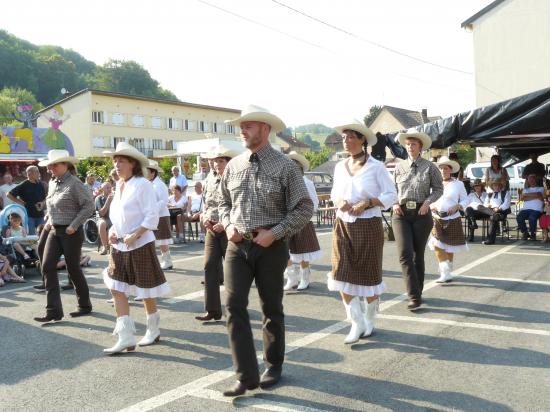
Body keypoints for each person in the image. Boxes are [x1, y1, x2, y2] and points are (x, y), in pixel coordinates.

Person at [218, 105, 313, 396]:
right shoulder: (234, 165)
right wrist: (227, 223)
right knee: (233, 305)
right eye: (240, 126)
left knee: (271, 308)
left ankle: (273, 365)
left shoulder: (285, 166)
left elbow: (304, 208)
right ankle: (245, 375)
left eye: (248, 125)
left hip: (271, 246)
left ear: (265, 129)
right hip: (237, 245)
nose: (241, 130)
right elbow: (222, 203)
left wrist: (276, 233)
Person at [328, 120, 397, 343]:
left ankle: (369, 318)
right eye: (344, 137)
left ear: (362, 140)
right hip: (343, 223)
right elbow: (334, 193)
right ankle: (355, 321)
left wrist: (368, 202)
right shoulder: (339, 167)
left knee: (369, 277)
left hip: (368, 225)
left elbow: (391, 195)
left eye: (350, 137)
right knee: (340, 272)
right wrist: (339, 201)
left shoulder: (376, 166)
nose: (346, 141)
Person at [102, 142, 170, 354]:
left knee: (146, 289)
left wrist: (135, 234)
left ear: (132, 163)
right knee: (116, 287)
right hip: (120, 245)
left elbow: (151, 215)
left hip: (139, 244)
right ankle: (126, 336)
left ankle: (153, 329)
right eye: (115, 161)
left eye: (121, 161)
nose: (116, 165)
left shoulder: (142, 184)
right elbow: (118, 216)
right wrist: (113, 230)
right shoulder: (119, 185)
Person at [33, 150, 94, 322]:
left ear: (65, 165)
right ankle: (53, 311)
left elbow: (89, 206)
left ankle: (84, 305)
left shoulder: (75, 183)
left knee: (73, 268)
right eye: (50, 165)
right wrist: (49, 219)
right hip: (54, 230)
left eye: (55, 164)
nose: (51, 168)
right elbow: (52, 204)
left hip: (71, 232)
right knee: (46, 266)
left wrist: (74, 225)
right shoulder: (52, 182)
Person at [393, 128, 443, 311]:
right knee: (404, 253)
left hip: (422, 214)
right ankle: (414, 296)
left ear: (420, 146)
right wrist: (393, 203)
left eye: (413, 144)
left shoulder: (430, 167)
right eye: (407, 144)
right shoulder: (398, 168)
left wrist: (427, 203)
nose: (410, 147)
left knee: (417, 255)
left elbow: (438, 189)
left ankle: (417, 291)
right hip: (401, 214)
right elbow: (390, 190)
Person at [196, 146, 238, 322]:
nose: (216, 164)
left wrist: (226, 223)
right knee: (209, 266)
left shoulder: (234, 179)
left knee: (232, 271)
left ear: (228, 162)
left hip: (229, 230)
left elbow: (239, 206)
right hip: (212, 230)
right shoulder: (209, 179)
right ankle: (212, 310)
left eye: (220, 161)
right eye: (214, 161)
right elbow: (206, 204)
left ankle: (235, 310)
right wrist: (204, 217)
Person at [284, 151, 321, 291]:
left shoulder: (307, 182)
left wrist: (304, 215)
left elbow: (314, 202)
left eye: (293, 164)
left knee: (303, 251)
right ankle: (292, 279)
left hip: (302, 221)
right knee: (285, 252)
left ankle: (305, 278)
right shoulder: (283, 182)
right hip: (286, 221)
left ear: (299, 167)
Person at [428, 156, 469, 283]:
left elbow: (466, 199)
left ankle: (447, 271)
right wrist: (430, 205)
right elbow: (427, 198)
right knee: (437, 244)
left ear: (450, 170)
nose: (443, 171)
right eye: (441, 168)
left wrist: (458, 206)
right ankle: (445, 272)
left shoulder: (458, 184)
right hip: (436, 218)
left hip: (452, 218)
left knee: (449, 247)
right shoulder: (433, 184)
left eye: (446, 168)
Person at [147, 160, 174, 269]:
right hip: (155, 215)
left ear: (153, 173)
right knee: (154, 240)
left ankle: (167, 261)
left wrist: (153, 210)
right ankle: (163, 261)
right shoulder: (150, 184)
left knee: (162, 240)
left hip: (161, 215)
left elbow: (164, 201)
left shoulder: (159, 184)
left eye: (147, 172)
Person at [8, 166, 47, 235]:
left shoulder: (40, 184)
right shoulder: (23, 184)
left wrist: (42, 203)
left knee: (43, 235)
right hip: (28, 215)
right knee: (31, 236)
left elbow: (45, 197)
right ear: (29, 173)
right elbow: (9, 194)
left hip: (40, 215)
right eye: (37, 171)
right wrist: (20, 202)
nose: (39, 173)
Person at [482, 180, 511, 245]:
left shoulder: (506, 193)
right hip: (490, 211)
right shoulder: (490, 194)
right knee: (485, 210)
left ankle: (490, 240)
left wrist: (498, 209)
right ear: (492, 187)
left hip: (501, 212)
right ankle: (490, 239)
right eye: (495, 185)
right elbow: (485, 204)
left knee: (493, 217)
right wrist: (488, 205)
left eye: (498, 185)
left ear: (501, 186)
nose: (497, 187)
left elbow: (506, 204)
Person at [516, 174, 544, 240]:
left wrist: (526, 195)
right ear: (528, 181)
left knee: (532, 217)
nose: (531, 180)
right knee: (519, 217)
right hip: (526, 209)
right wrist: (535, 196)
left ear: (536, 180)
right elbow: (523, 199)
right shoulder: (525, 189)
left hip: (537, 210)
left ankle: (532, 233)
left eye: (533, 179)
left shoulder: (541, 188)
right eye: (530, 179)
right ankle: (525, 232)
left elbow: (539, 194)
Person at [95, 182, 114, 255]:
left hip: (114, 218)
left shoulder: (115, 197)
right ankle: (105, 247)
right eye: (107, 188)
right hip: (103, 218)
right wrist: (108, 201)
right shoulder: (99, 198)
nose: (109, 189)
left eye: (110, 187)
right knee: (102, 224)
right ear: (102, 189)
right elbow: (102, 213)